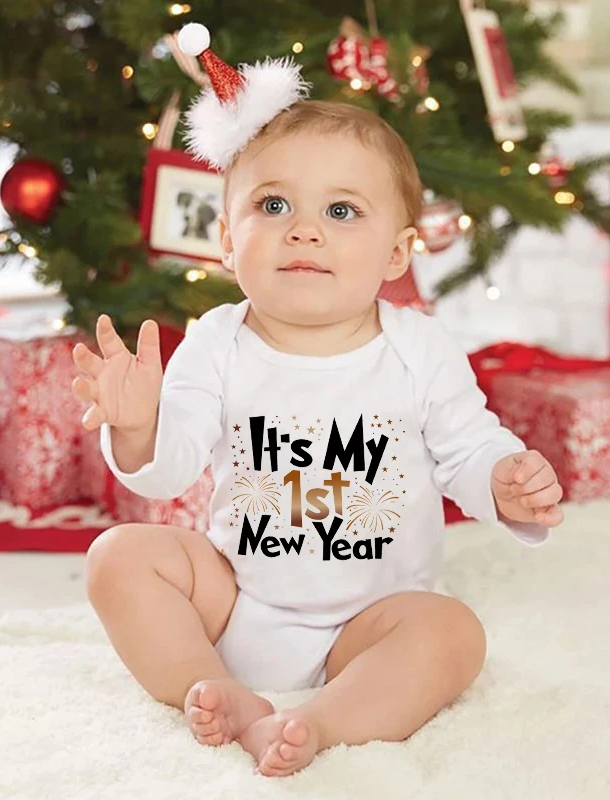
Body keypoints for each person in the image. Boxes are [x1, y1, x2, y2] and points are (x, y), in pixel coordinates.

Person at [71, 23, 563, 778]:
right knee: (118, 558)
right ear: (227, 242)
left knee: (453, 634)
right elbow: (168, 472)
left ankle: (320, 721)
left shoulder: (418, 346)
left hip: (372, 622)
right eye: (272, 206)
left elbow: (468, 448)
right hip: (236, 600)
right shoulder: (216, 341)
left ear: (396, 253)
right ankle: (214, 687)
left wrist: (502, 481)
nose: (303, 230)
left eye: (341, 212)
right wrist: (138, 426)